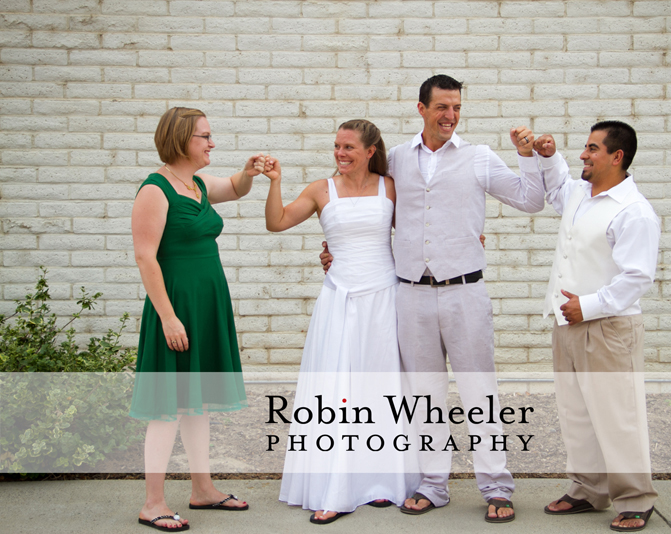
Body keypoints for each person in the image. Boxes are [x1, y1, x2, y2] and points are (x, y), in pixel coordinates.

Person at [323, 74, 547, 523]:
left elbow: (532, 200)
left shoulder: (479, 157)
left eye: (457, 107)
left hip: (465, 290)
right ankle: (432, 485)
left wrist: (528, 158)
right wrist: (336, 250)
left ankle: (496, 486)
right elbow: (369, 209)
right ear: (421, 108)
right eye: (442, 107)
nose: (450, 115)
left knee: (479, 392)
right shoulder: (398, 161)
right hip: (410, 295)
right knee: (422, 395)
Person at [265, 119, 420, 525]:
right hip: (340, 298)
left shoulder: (389, 186)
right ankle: (333, 489)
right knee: (337, 391)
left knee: (381, 388)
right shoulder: (321, 189)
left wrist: (465, 238)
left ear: (370, 151)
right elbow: (277, 221)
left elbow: (416, 232)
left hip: (385, 296)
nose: (340, 153)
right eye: (337, 146)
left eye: (349, 147)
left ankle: (381, 484)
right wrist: (275, 181)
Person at [130, 107, 264, 531]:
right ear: (180, 140)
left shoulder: (199, 184)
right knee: (167, 407)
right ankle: (153, 502)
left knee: (197, 403)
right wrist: (168, 317)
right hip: (177, 309)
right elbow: (145, 257)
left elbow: (236, 189)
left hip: (207, 306)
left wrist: (249, 173)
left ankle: (202, 489)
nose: (211, 143)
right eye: (204, 136)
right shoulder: (155, 189)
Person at [535, 121, 660, 532]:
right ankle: (588, 489)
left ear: (616, 156)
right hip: (567, 323)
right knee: (577, 414)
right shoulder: (580, 193)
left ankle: (636, 498)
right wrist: (548, 155)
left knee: (617, 416)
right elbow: (556, 189)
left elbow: (637, 277)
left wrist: (587, 307)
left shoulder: (634, 211)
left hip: (608, 327)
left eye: (592, 148)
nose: (584, 155)